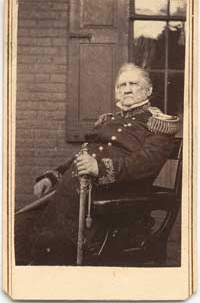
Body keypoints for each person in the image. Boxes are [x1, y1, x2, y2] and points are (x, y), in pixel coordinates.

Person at [15, 63, 180, 265]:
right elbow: (83, 154)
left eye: (134, 84)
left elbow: (144, 165)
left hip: (108, 204)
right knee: (19, 226)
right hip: (72, 195)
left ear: (149, 90)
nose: (127, 89)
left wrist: (99, 168)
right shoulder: (108, 121)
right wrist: (53, 176)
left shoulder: (157, 124)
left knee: (48, 242)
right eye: (121, 85)